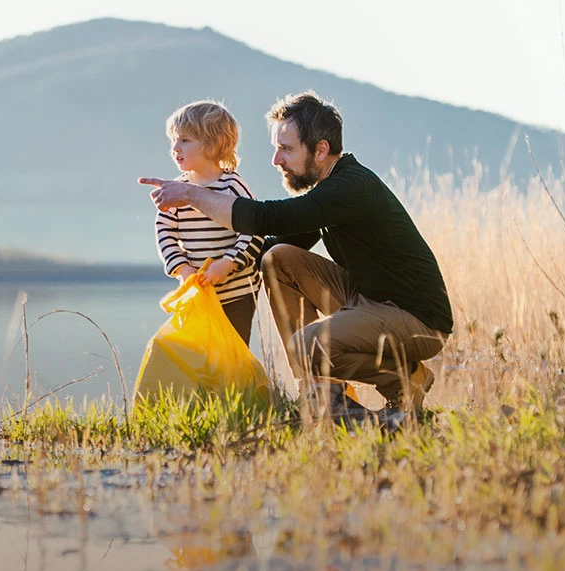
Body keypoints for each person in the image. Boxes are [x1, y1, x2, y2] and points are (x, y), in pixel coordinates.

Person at [140, 91, 452, 417]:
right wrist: (226, 260)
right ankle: (318, 396)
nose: (276, 160)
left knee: (307, 345)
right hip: (371, 302)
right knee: (278, 258)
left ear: (321, 150)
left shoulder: (348, 188)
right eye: (277, 149)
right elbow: (276, 240)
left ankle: (393, 387)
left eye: (286, 149)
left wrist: (191, 194)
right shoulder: (329, 191)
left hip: (416, 321)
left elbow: (269, 217)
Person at [152, 100, 264, 344]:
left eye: (185, 140)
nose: (175, 148)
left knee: (232, 352)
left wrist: (227, 264)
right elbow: (165, 232)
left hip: (237, 292)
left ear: (212, 145)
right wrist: (182, 270)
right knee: (200, 355)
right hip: (198, 290)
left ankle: (238, 384)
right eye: (174, 140)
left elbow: (253, 232)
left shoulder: (233, 186)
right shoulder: (177, 190)